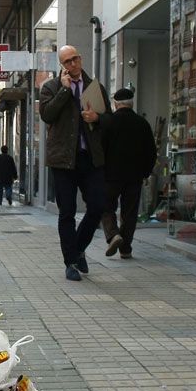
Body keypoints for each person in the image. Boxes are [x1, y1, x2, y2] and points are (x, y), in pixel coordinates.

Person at [39, 44, 112, 281]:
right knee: (67, 212)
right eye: (67, 61)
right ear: (62, 66)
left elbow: (110, 121)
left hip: (90, 159)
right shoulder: (50, 87)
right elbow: (47, 115)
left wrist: (97, 118)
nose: (73, 64)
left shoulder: (95, 87)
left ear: (81, 59)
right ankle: (70, 262)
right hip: (62, 161)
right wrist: (64, 91)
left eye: (75, 59)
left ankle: (78, 248)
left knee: (98, 206)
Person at [99, 87, 156, 259]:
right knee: (129, 213)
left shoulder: (108, 122)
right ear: (132, 104)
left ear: (115, 104)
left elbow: (100, 149)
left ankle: (113, 234)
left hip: (111, 175)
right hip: (135, 176)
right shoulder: (142, 123)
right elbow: (151, 152)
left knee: (105, 206)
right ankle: (125, 249)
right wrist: (145, 173)